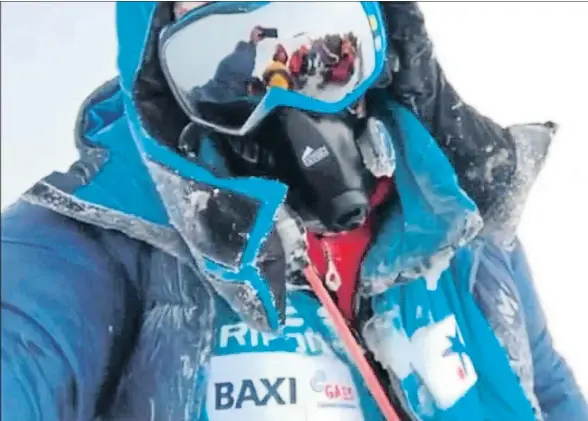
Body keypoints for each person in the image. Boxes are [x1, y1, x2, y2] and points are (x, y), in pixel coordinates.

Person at [2, 3, 587, 421]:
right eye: (223, 65)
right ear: (158, 76)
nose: (292, 110)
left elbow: (551, 394)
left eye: (322, 42)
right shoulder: (89, 247)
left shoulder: (461, 227)